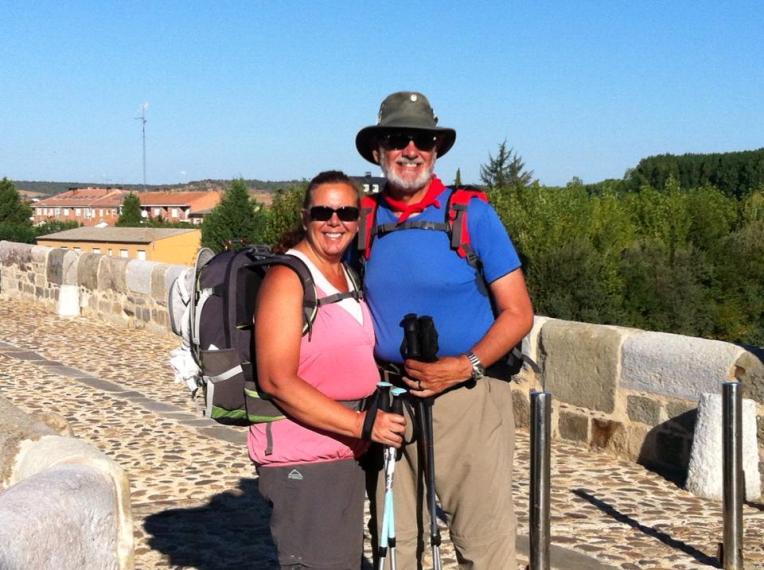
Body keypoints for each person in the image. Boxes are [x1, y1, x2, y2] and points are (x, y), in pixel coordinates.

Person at [355, 92, 534, 569]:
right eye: (397, 139)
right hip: (390, 398)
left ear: (435, 151)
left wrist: (463, 367)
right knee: (397, 542)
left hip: (468, 397)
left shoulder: (472, 214)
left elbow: (518, 313)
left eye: (423, 140)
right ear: (378, 151)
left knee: (482, 541)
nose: (410, 149)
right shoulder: (364, 221)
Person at [249, 170, 406, 570]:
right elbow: (276, 379)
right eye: (323, 211)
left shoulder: (345, 272)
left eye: (346, 212)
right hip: (306, 458)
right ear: (305, 217)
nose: (334, 221)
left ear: (358, 219)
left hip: (340, 451)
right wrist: (360, 425)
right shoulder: (288, 278)